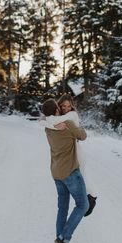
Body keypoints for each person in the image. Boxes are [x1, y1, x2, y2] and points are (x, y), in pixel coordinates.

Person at [41, 98, 89, 243]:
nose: (62, 109)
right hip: (70, 172)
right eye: (59, 107)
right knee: (83, 205)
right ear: (56, 110)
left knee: (62, 207)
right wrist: (75, 122)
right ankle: (64, 239)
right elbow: (83, 136)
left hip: (56, 172)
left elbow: (44, 121)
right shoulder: (67, 124)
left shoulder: (48, 127)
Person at [40, 94, 97, 222]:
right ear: (58, 106)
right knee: (81, 177)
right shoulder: (58, 118)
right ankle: (89, 200)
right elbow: (44, 120)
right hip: (68, 154)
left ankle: (89, 201)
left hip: (76, 152)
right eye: (63, 106)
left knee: (82, 176)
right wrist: (53, 124)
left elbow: (45, 120)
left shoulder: (71, 116)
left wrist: (52, 123)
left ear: (72, 106)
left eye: (68, 106)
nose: (66, 108)